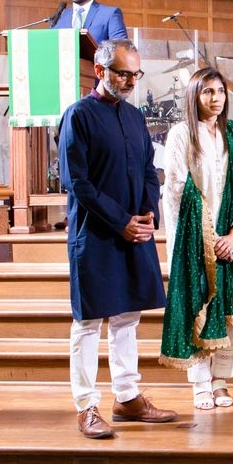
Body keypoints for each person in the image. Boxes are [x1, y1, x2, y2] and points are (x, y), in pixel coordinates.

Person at [59, 39, 177, 438]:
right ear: (99, 70)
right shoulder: (79, 115)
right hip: (94, 233)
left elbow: (148, 168)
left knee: (128, 316)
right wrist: (121, 221)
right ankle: (87, 406)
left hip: (133, 230)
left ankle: (127, 397)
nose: (129, 81)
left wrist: (146, 215)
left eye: (134, 74)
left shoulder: (133, 116)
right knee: (88, 321)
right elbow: (78, 183)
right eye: (122, 73)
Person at [159, 67, 233, 410]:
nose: (215, 98)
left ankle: (221, 381)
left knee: (227, 310)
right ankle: (200, 382)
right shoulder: (181, 134)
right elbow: (177, 187)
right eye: (207, 92)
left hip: (229, 238)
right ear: (194, 96)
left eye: (220, 91)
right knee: (197, 305)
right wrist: (208, 236)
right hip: (193, 239)